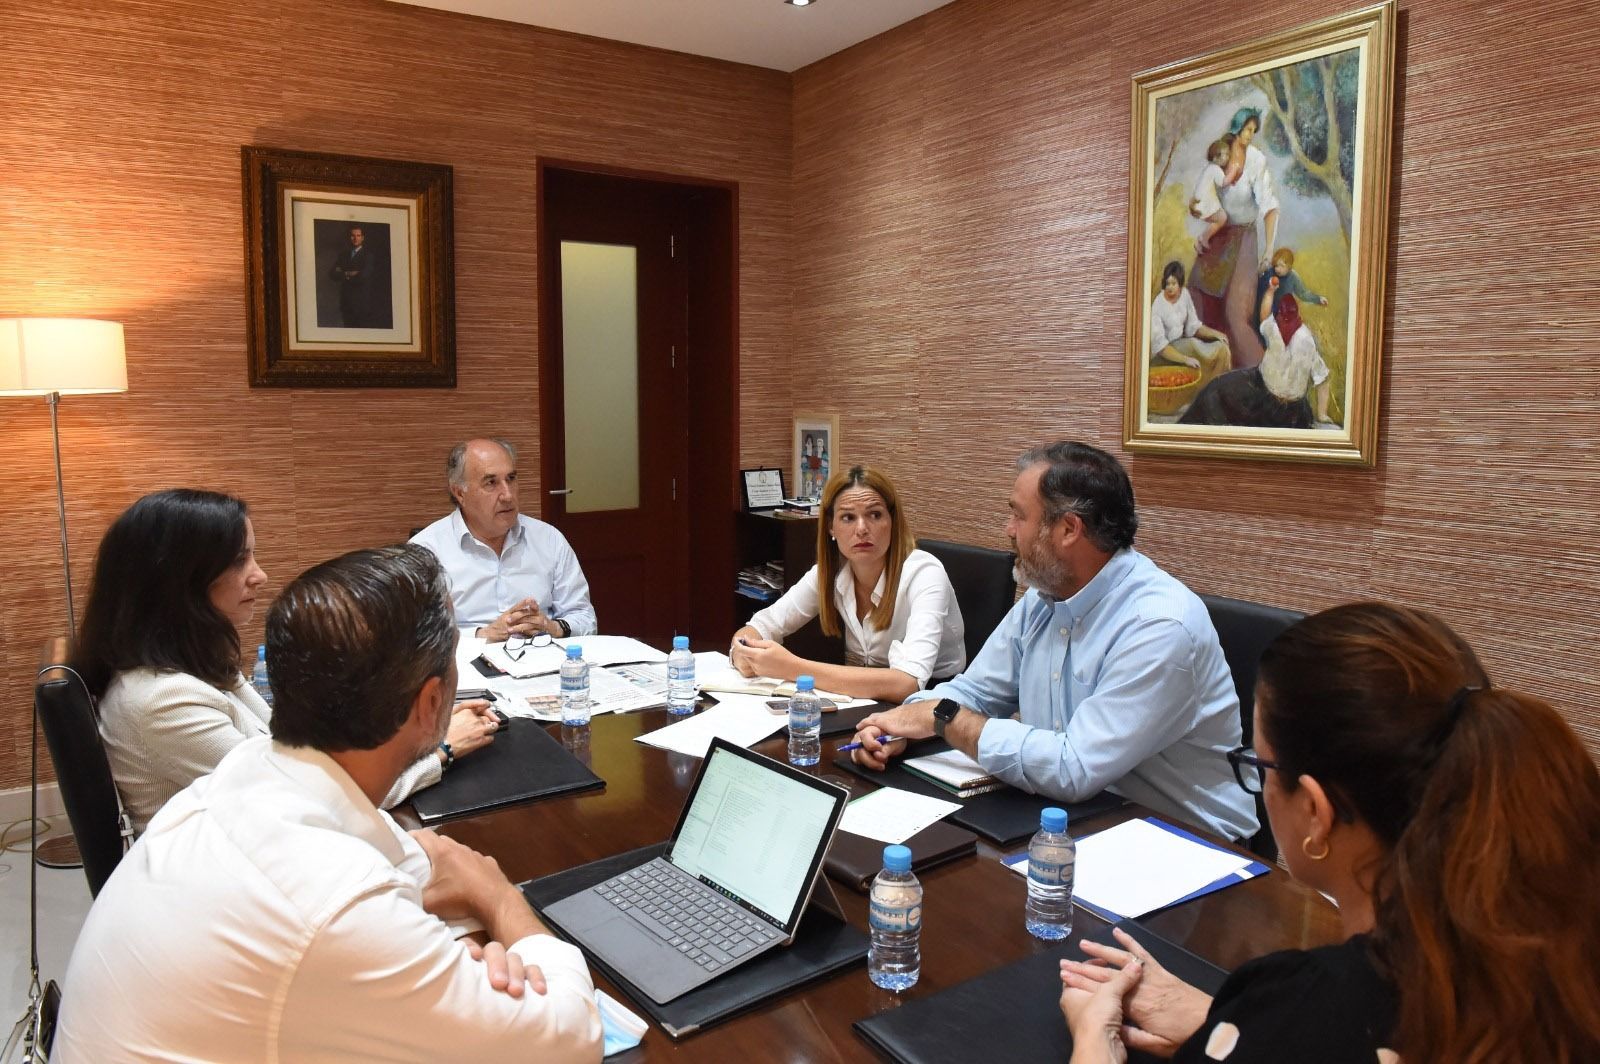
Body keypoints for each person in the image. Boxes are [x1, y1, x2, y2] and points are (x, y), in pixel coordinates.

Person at [55, 545, 605, 1061]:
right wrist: (500, 897)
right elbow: (570, 1038)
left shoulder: (242, 778)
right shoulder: (335, 904)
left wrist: (441, 956)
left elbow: (432, 872)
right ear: (433, 701)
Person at [1059, 602, 1600, 1064]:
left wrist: (1092, 1038)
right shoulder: (1545, 958)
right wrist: (1226, 1022)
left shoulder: (1319, 1005)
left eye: (1260, 765)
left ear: (1316, 812)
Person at [850, 442, 1257, 842]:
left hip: (1185, 844)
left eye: (1018, 516)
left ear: (1067, 530)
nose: (1008, 530)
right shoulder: (1045, 597)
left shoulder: (1159, 626)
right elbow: (975, 692)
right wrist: (898, 726)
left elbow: (1073, 767)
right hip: (1075, 818)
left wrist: (944, 718)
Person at [75, 489, 498, 834]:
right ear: (180, 581)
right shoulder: (160, 700)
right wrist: (438, 751)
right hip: (231, 884)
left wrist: (410, 731)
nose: (259, 575)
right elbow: (314, 799)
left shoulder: (197, 663)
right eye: (241, 560)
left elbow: (286, 744)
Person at [730, 465, 966, 701]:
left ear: (892, 521)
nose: (862, 529)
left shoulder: (924, 573)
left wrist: (792, 668)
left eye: (874, 515)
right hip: (865, 697)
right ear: (832, 527)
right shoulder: (830, 572)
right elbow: (764, 624)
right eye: (848, 517)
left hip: (934, 701)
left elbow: (907, 683)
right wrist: (742, 650)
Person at [411, 438, 597, 642]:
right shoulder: (427, 551)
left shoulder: (549, 539)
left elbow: (585, 618)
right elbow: (416, 637)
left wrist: (552, 627)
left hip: (543, 661)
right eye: (491, 482)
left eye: (511, 478)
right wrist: (482, 635)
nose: (507, 495)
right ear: (459, 492)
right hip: (468, 667)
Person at [1189, 108, 1280, 368]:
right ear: (1237, 127)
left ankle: (1261, 379)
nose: (1250, 135)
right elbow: (1204, 195)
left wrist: (1269, 249)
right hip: (1221, 236)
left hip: (1244, 238)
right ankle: (1209, 373)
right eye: (1247, 129)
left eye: (1254, 130)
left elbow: (1270, 207)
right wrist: (1201, 217)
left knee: (1235, 314)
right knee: (1197, 295)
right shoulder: (1221, 152)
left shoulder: (1257, 160)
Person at [1177, 287, 1331, 429]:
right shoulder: (1307, 339)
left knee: (1215, 389)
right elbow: (1323, 378)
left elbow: (1264, 315)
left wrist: (1270, 291)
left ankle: (1184, 428)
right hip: (1293, 409)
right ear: (1297, 315)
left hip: (1264, 398)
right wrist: (1322, 414)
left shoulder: (1274, 328)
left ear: (1279, 314)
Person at [1149, 261, 1230, 387]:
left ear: (1180, 285)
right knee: (1193, 345)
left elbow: (1194, 327)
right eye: (1167, 283)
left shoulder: (1184, 295)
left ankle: (1213, 389)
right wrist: (1186, 360)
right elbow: (1160, 347)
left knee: (1222, 349)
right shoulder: (1158, 305)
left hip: (1184, 346)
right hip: (1166, 355)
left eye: (1174, 283)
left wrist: (1216, 334)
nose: (1170, 287)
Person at [327, 223, 388, 328]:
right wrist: (348, 273)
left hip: (361, 304)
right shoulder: (343, 255)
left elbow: (363, 276)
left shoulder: (368, 256)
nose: (355, 238)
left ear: (362, 238)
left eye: (358, 235)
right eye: (353, 235)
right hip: (346, 303)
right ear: (349, 237)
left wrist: (342, 273)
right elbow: (332, 274)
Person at [1188, 138, 1232, 253]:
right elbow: (1223, 182)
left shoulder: (1210, 168)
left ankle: (1201, 240)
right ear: (1216, 157)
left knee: (1220, 218)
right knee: (1222, 218)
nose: (1228, 157)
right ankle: (1203, 238)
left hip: (1200, 203)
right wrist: (1234, 172)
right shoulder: (1215, 169)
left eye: (1228, 154)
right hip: (1204, 204)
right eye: (1225, 154)